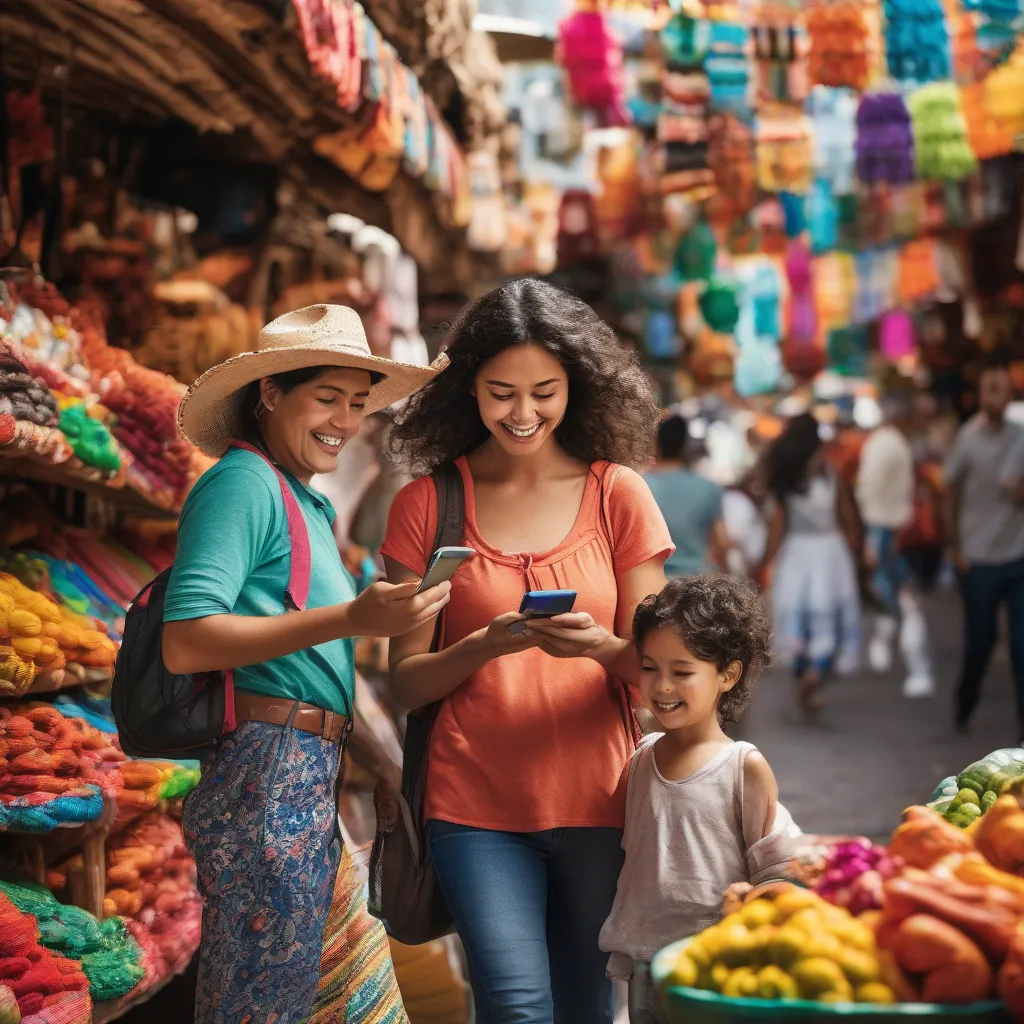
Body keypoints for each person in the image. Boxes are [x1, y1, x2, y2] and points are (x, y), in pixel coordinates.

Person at [380, 279, 674, 1024]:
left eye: (543, 391)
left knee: (586, 1010)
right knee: (515, 1007)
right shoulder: (426, 504)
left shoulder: (619, 496)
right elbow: (406, 684)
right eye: (499, 392)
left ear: (576, 385)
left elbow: (659, 674)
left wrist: (604, 648)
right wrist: (484, 645)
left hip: (601, 801)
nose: (522, 413)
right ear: (466, 391)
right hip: (471, 805)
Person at [165, 304, 452, 1024]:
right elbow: (187, 637)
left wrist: (379, 755)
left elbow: (316, 655)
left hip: (305, 767)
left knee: (296, 996)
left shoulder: (308, 505)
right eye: (326, 398)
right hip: (264, 774)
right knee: (258, 1000)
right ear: (269, 394)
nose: (345, 422)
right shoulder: (244, 484)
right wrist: (356, 617)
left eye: (357, 404)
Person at [599, 574, 797, 1024]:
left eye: (682, 672)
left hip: (714, 970)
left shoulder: (742, 766)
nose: (662, 686)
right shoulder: (640, 757)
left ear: (729, 674)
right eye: (649, 668)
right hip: (646, 963)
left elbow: (777, 868)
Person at [758, 412, 861, 716]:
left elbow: (778, 526)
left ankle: (805, 674)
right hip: (831, 551)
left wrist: (765, 560)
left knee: (798, 619)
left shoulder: (787, 475)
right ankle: (817, 673)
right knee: (829, 616)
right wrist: (855, 549)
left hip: (797, 551)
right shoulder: (829, 472)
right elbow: (848, 515)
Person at [944, 357, 1024, 740]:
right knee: (982, 642)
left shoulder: (1021, 434)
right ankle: (964, 704)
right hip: (979, 559)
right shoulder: (967, 439)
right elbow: (949, 494)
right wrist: (955, 548)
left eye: (1002, 388)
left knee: (1023, 646)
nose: (997, 395)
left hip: (1018, 556)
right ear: (978, 396)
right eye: (989, 388)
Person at [856, 394, 934, 698]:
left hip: (887, 528)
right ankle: (911, 664)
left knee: (896, 597)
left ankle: (899, 653)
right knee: (903, 597)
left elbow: (869, 488)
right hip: (894, 528)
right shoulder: (893, 444)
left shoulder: (883, 444)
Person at [645, 414, 739, 576]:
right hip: (695, 582)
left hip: (653, 579)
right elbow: (721, 541)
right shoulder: (709, 488)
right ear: (685, 447)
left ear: (657, 445)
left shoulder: (641, 485)